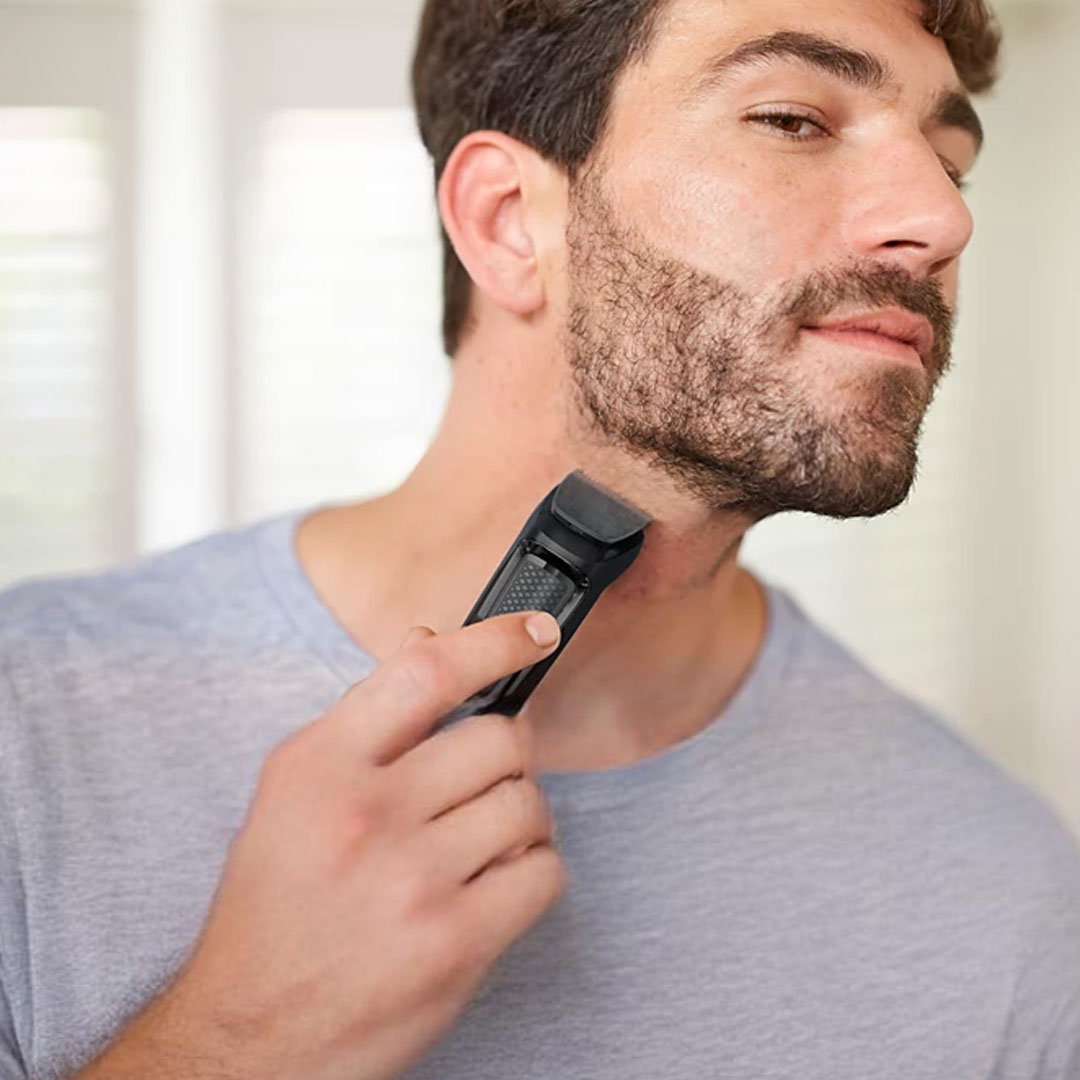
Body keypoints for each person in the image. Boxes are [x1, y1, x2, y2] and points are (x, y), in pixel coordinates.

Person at [1, 0, 1078, 1076]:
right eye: (794, 120)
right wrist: (235, 1041)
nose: (942, 219)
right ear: (510, 220)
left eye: (949, 162)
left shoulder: (1009, 898)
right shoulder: (28, 736)